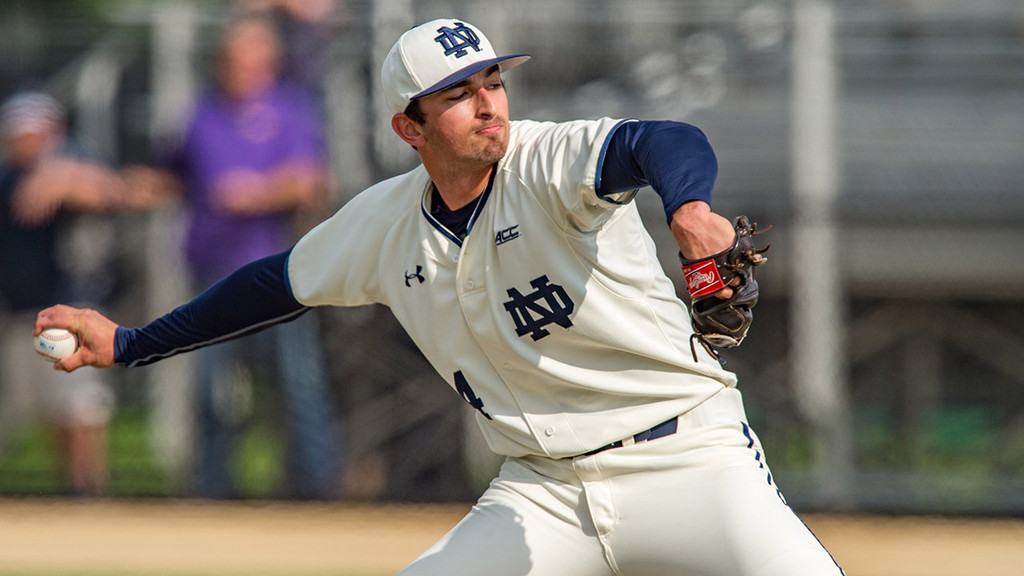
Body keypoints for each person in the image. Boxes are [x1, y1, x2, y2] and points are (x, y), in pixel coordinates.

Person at [38, 18, 844, 575]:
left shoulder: (547, 161)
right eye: (459, 93)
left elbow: (656, 140)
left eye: (492, 80)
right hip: (542, 492)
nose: (489, 100)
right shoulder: (384, 224)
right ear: (409, 129)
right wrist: (131, 342)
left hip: (688, 460)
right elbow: (269, 285)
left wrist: (691, 208)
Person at [123, 14, 341, 500]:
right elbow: (174, 176)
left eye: (247, 58)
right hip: (210, 271)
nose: (237, 67)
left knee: (297, 384)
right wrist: (132, 186)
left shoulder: (291, 111)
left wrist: (258, 193)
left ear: (269, 63)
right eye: (230, 58)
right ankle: (212, 492)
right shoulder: (201, 113)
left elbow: (312, 181)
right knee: (209, 390)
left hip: (277, 274)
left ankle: (318, 492)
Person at [0, 91, 124, 497]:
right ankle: (72, 488)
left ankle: (89, 488)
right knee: (46, 406)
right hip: (23, 307)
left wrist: (64, 177)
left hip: (70, 307)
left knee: (80, 403)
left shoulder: (75, 165)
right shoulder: (9, 180)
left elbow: (115, 191)